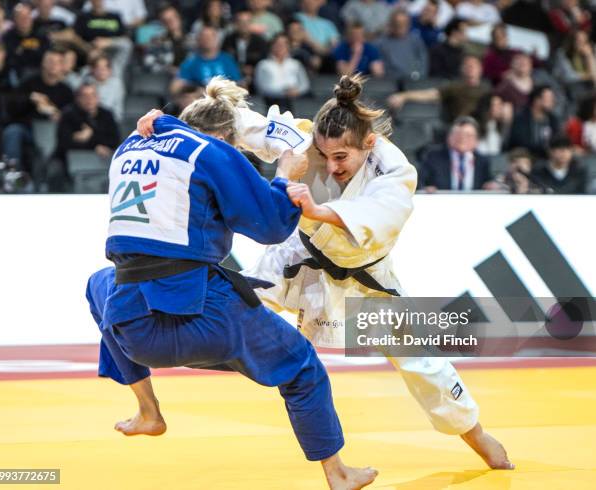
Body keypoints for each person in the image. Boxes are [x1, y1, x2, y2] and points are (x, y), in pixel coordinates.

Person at [88, 77, 378, 490]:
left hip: (130, 325)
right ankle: (338, 473)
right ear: (227, 137)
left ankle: (148, 410)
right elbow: (271, 225)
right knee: (301, 367)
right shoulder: (213, 152)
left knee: (98, 282)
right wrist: (282, 175)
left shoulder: (129, 145)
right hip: (200, 321)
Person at [235, 75, 513, 470]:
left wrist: (315, 210)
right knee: (236, 299)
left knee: (421, 362)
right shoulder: (306, 139)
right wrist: (171, 125)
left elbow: (376, 217)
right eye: (324, 155)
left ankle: (477, 435)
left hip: (370, 277)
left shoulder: (396, 170)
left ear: (367, 144)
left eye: (341, 159)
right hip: (302, 254)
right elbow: (244, 124)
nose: (331, 167)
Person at [389, 55, 490, 124]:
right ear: (462, 69)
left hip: (484, 130)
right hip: (461, 128)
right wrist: (404, 95)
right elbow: (431, 95)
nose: (471, 67)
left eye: (474, 65)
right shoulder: (454, 87)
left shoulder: (487, 89)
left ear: (480, 68)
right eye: (467, 65)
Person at [419, 116, 494, 190]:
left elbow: (490, 183)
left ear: (476, 141)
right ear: (449, 137)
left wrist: (492, 186)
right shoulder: (433, 158)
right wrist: (426, 189)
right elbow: (421, 182)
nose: (462, 138)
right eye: (458, 134)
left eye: (468, 135)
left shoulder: (483, 162)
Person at [254, 33, 310, 113]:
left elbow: (305, 84)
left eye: (284, 44)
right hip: (271, 102)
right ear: (271, 46)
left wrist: (297, 91)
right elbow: (261, 87)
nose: (281, 46)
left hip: (295, 101)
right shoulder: (263, 64)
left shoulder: (295, 64)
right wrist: (283, 92)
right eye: (278, 44)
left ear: (289, 46)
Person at [175, 26, 241, 88]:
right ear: (198, 40)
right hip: (201, 97)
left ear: (217, 39)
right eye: (204, 37)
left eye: (211, 36)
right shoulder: (191, 62)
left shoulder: (227, 59)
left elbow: (239, 82)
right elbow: (177, 85)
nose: (207, 40)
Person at [376, 8, 428, 82]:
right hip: (391, 83)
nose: (400, 26)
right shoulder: (381, 43)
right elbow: (382, 68)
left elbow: (423, 63)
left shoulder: (416, 41)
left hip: (414, 82)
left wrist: (418, 77)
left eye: (404, 23)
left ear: (409, 24)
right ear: (391, 24)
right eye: (397, 23)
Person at [506, 85, 559, 158]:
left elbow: (557, 140)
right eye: (549, 98)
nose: (553, 101)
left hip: (546, 159)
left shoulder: (552, 120)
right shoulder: (521, 118)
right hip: (524, 157)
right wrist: (544, 149)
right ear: (537, 100)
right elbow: (519, 142)